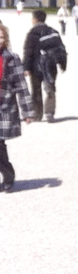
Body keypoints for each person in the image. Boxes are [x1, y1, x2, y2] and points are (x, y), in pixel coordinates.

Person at [0, 20, 36, 192]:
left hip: (4, 106)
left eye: (1, 37)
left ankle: (8, 176)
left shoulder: (11, 58)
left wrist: (27, 111)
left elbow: (21, 86)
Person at [22, 10, 66, 123]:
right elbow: (61, 48)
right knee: (50, 89)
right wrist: (62, 64)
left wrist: (26, 67)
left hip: (36, 66)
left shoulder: (32, 33)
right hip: (51, 65)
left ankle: (37, 114)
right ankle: (49, 113)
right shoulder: (53, 31)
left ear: (35, 20)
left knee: (36, 90)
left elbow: (28, 51)